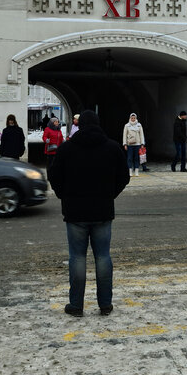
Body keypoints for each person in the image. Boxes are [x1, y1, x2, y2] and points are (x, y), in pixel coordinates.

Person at [48, 109, 130, 316]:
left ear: (79, 125)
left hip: (75, 212)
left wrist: (64, 196)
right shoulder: (112, 148)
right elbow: (124, 177)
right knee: (103, 256)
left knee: (77, 257)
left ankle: (76, 305)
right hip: (102, 210)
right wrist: (110, 194)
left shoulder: (67, 149)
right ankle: (105, 304)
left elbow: (55, 176)